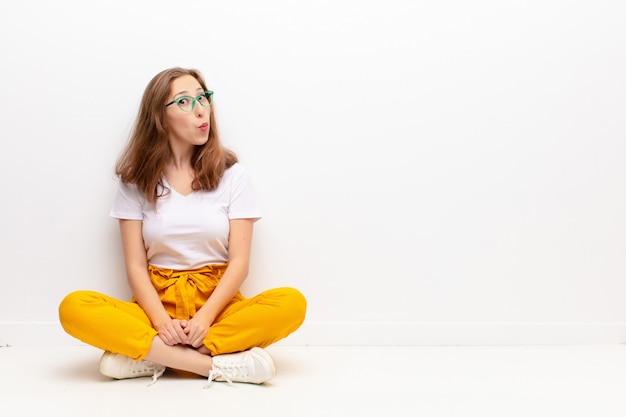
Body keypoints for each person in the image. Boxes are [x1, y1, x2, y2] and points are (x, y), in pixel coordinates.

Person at [58, 67, 307, 388]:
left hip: (217, 305)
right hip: (155, 304)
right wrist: (161, 323)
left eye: (203, 97)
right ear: (159, 117)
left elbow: (240, 263)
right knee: (74, 307)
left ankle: (150, 357)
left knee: (291, 302)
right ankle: (214, 365)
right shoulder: (136, 180)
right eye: (185, 102)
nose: (201, 108)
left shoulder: (233, 176)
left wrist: (204, 319)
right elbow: (135, 266)